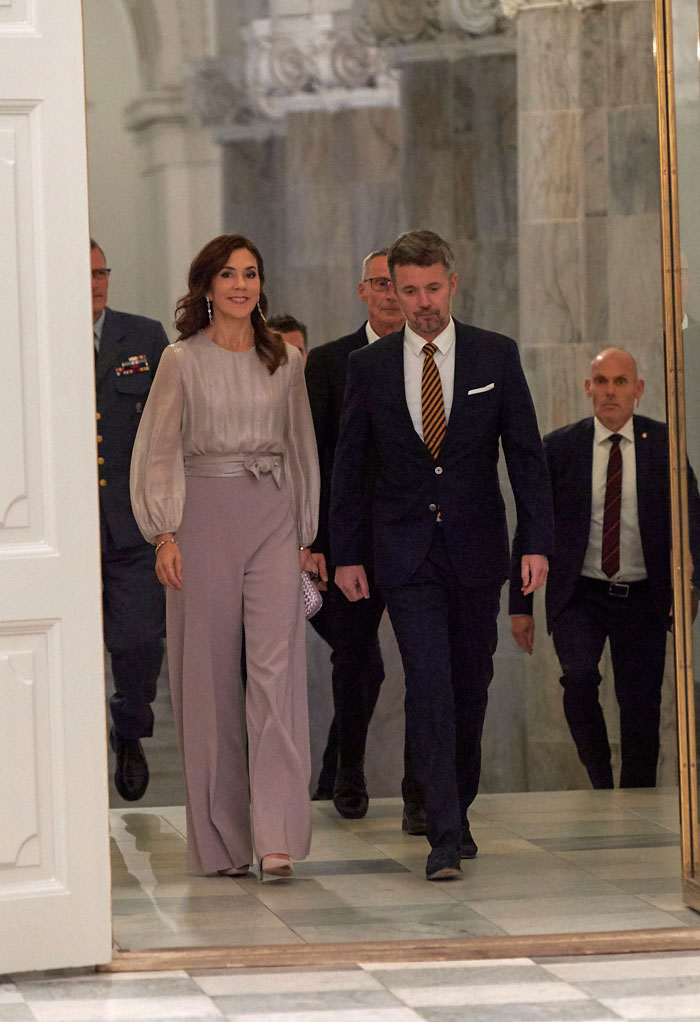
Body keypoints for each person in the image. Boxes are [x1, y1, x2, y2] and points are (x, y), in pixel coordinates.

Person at [330, 229, 554, 880]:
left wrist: (535, 543)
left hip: (477, 548)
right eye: (408, 290)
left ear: (451, 284)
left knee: (470, 685)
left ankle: (459, 803)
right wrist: (347, 553)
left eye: (432, 288)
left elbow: (527, 457)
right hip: (403, 552)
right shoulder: (367, 369)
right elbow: (349, 468)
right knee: (426, 683)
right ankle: (443, 835)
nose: (422, 302)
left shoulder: (495, 356)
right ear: (391, 291)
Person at [130, 234, 322, 880]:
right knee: (207, 681)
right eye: (229, 275)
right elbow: (157, 449)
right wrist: (163, 533)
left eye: (251, 274)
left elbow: (301, 448)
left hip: (273, 514)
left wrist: (305, 536)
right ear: (207, 287)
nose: (241, 285)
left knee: (275, 673)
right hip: (201, 516)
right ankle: (220, 841)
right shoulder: (181, 361)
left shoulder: (286, 362)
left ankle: (275, 836)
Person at [510, 347, 700, 789]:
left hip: (644, 595)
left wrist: (691, 591)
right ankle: (600, 781)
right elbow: (531, 527)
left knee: (641, 704)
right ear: (587, 388)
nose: (610, 391)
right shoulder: (560, 448)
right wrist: (520, 604)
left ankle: (637, 794)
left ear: (638, 390)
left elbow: (693, 519)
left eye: (620, 382)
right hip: (581, 594)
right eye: (601, 381)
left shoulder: (665, 446)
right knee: (578, 680)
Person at [305, 250, 424, 829]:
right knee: (354, 659)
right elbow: (318, 463)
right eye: (378, 284)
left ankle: (419, 789)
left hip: (420, 539)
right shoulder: (328, 363)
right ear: (363, 291)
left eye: (395, 285)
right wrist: (319, 541)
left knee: (425, 661)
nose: (387, 294)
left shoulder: (436, 360)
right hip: (351, 543)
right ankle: (348, 771)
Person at [91, 238, 168, 803]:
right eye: (83, 274)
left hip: (134, 523)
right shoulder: (32, 337)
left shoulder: (143, 337)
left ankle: (129, 725)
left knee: (140, 640)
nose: (95, 283)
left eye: (101, 272)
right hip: (69, 529)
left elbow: (168, 428)